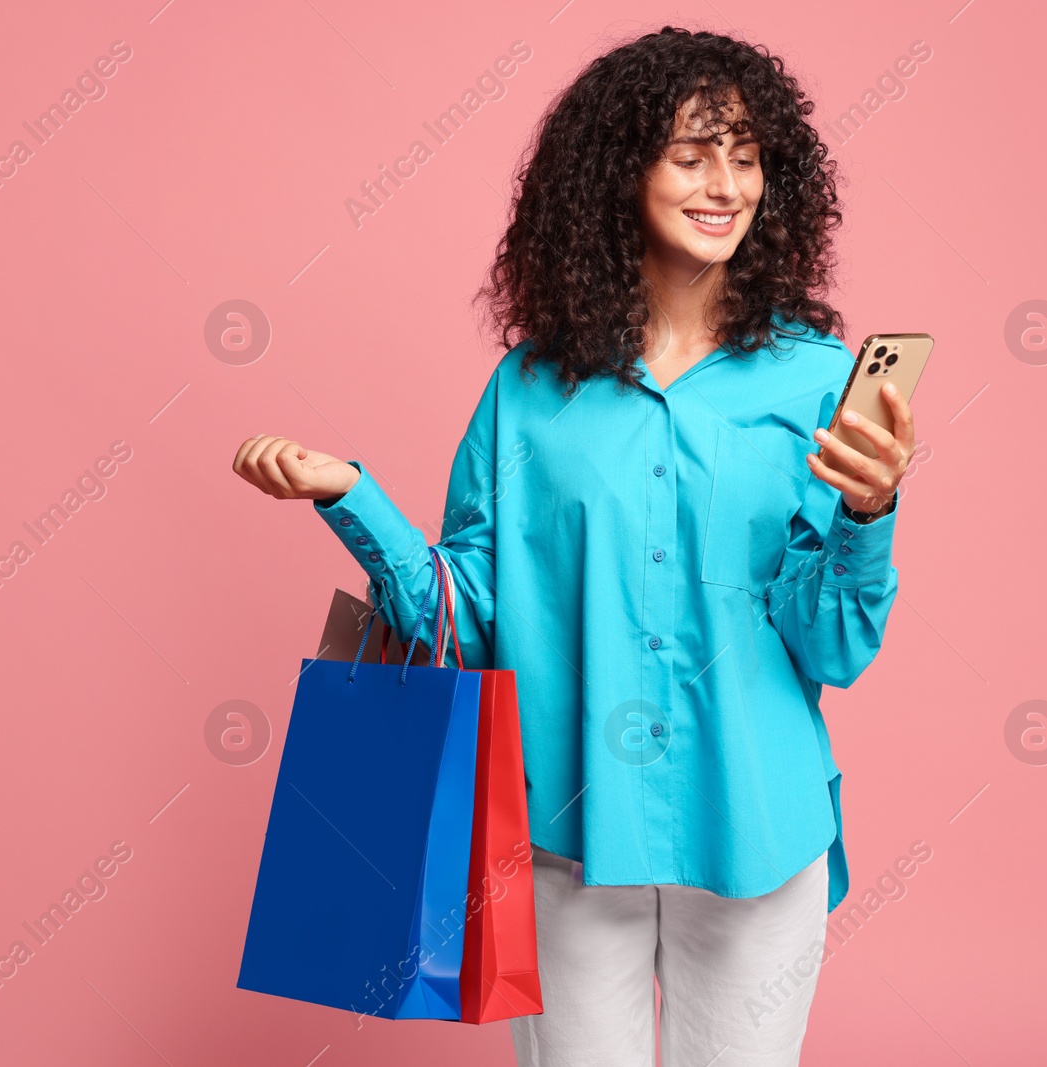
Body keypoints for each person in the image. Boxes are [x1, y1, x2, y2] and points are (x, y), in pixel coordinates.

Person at [232, 25, 914, 1067]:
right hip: (561, 835)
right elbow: (460, 618)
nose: (722, 183)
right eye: (690, 154)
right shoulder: (529, 391)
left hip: (755, 826)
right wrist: (351, 498)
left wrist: (867, 516)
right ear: (619, 173)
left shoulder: (816, 380)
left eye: (743, 154)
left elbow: (833, 648)